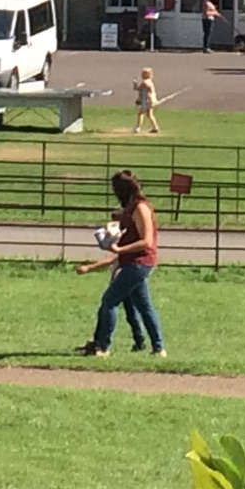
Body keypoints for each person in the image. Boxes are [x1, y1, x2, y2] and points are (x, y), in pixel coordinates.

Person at [77, 170, 164, 357]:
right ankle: (158, 348)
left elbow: (146, 241)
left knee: (109, 301)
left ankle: (103, 346)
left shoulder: (141, 207)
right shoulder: (130, 208)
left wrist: (120, 250)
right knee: (144, 306)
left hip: (140, 262)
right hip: (131, 261)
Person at [133, 66, 161, 134]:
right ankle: (155, 127)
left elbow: (138, 89)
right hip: (151, 101)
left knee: (141, 113)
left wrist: (135, 84)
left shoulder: (145, 83)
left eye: (143, 74)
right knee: (149, 114)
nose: (141, 75)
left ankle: (138, 128)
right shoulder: (149, 82)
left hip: (147, 101)